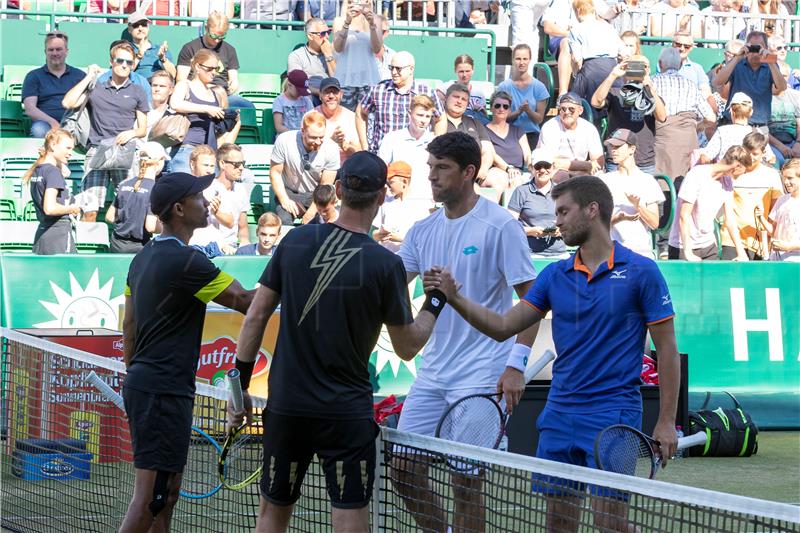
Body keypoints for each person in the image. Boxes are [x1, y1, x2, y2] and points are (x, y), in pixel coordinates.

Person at [426, 175, 680, 533]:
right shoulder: (553, 275)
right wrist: (455, 298)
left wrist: (666, 420)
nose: (556, 220)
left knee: (611, 525)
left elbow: (667, 350)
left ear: (593, 210)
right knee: (559, 524)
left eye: (563, 211)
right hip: (559, 413)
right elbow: (503, 326)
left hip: (614, 414)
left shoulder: (642, 272)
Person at [228, 151, 444, 533]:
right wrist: (437, 301)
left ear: (340, 190)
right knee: (349, 517)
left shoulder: (294, 242)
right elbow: (408, 346)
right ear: (381, 198)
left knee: (271, 515)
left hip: (288, 407)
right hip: (346, 414)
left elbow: (256, 315)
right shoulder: (385, 264)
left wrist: (239, 387)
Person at [393, 132, 538, 533]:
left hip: (482, 373)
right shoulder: (422, 230)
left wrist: (516, 365)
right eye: (430, 168)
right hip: (434, 371)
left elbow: (533, 303)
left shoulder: (501, 227)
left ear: (469, 172)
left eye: (442, 168)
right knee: (403, 468)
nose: (432, 177)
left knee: (467, 482)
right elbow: (391, 285)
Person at [119, 171, 254, 533]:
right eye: (199, 197)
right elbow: (245, 301)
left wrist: (137, 377)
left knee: (168, 493)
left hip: (154, 386)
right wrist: (291, 278)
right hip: (161, 390)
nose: (207, 202)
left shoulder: (141, 259)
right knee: (151, 496)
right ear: (179, 208)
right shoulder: (188, 262)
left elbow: (128, 329)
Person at [62, 41, 149, 223]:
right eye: (120, 61)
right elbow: (68, 103)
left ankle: (124, 248)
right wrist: (89, 77)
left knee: (129, 205)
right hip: (97, 149)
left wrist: (131, 133)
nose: (124, 65)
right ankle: (87, 247)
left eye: (129, 62)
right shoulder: (97, 87)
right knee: (89, 208)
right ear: (111, 61)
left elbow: (142, 129)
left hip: (125, 149)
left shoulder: (138, 91)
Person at [667, 146, 753, 260]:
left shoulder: (727, 182)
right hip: (682, 246)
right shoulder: (696, 175)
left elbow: (730, 220)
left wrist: (741, 253)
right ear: (737, 166)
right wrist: (688, 253)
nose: (743, 174)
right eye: (744, 170)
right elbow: (684, 216)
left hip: (708, 246)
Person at [591, 54, 667, 174]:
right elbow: (595, 102)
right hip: (616, 161)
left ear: (649, 70)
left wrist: (650, 88)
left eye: (643, 67)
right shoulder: (615, 93)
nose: (638, 70)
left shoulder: (651, 95)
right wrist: (613, 75)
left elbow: (662, 117)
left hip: (644, 161)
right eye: (633, 66)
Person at [356, 50, 444, 153]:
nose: (394, 72)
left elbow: (441, 119)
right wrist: (365, 146)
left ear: (411, 69)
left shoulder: (426, 92)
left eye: (398, 69)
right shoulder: (379, 90)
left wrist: (437, 148)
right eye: (391, 68)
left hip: (416, 155)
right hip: (382, 156)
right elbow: (360, 113)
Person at [169, 49, 239, 173]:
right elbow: (175, 103)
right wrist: (207, 109)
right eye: (209, 68)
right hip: (186, 150)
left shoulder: (215, 94)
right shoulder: (185, 85)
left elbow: (219, 131)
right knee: (184, 191)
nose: (213, 73)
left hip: (209, 154)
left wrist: (230, 120)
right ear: (197, 66)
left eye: (216, 69)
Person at [651, 47, 715, 182]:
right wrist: (698, 127)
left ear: (660, 64)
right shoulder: (691, 85)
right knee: (685, 183)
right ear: (680, 65)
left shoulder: (652, 82)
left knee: (663, 183)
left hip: (662, 139)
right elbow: (711, 118)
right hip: (688, 139)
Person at [599, 129, 664, 259]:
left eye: (618, 146)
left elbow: (654, 223)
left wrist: (639, 206)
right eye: (612, 146)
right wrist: (619, 218)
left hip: (641, 253)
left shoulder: (647, 181)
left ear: (632, 149)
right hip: (612, 253)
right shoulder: (604, 180)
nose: (613, 150)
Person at [719, 131, 783, 260]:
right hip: (731, 239)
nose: (751, 157)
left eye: (755, 154)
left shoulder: (771, 175)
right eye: (748, 152)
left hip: (760, 241)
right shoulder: (733, 173)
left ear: (763, 153)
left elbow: (775, 210)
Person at [270, 111, 341, 225]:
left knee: (321, 225)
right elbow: (275, 173)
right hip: (289, 192)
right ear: (303, 131)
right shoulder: (284, 141)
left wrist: (311, 213)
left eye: (321, 137)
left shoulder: (331, 148)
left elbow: (324, 187)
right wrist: (284, 200)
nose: (318, 142)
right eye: (313, 137)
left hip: (316, 195)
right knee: (284, 221)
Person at [176, 11, 254, 109]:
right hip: (196, 92)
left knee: (247, 106)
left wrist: (231, 87)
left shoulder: (230, 50)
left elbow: (234, 80)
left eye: (221, 37)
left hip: (222, 93)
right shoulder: (190, 48)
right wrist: (204, 88)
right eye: (213, 36)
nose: (217, 40)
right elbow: (181, 79)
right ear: (206, 28)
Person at [21, 129, 82, 255]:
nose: (71, 153)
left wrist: (59, 163)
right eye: (68, 148)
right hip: (58, 235)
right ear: (53, 145)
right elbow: (50, 208)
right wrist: (72, 208)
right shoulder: (52, 172)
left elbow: (64, 172)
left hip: (43, 234)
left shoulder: (39, 169)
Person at [713, 30, 787, 132]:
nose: (755, 51)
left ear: (766, 48)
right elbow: (717, 82)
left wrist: (770, 61)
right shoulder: (737, 63)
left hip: (759, 126)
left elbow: (782, 87)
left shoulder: (771, 64)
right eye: (752, 47)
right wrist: (737, 57)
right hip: (734, 122)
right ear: (747, 46)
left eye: (758, 47)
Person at [105, 142, 168, 253]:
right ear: (159, 161)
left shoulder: (124, 184)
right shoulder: (155, 189)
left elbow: (110, 217)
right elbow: (150, 227)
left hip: (116, 244)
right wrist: (169, 227)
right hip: (139, 248)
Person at [378, 94, 437, 212]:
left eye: (427, 116)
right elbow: (380, 172)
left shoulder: (435, 142)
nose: (423, 120)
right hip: (395, 203)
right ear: (410, 114)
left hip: (425, 203)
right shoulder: (392, 139)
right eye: (420, 115)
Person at [22, 31, 85, 138]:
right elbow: (30, 109)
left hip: (73, 122)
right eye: (51, 50)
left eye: (59, 49)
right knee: (38, 130)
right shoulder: (33, 76)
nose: (55, 53)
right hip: (45, 124)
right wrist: (53, 123)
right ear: (45, 52)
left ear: (66, 51)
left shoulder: (80, 76)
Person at [507, 148, 568, 257]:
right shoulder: (521, 191)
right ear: (531, 168)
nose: (543, 170)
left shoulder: (562, 192)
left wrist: (562, 228)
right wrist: (530, 231)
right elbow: (509, 225)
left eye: (547, 166)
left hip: (559, 252)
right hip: (529, 253)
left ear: (553, 167)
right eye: (538, 166)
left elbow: (574, 222)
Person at [190, 143, 250, 251]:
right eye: (236, 164)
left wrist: (245, 248)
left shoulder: (240, 190)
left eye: (243, 164)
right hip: (210, 245)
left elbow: (241, 226)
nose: (241, 168)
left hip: (230, 245)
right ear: (222, 164)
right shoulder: (207, 187)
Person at [537, 92, 604, 180]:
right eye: (563, 109)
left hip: (581, 172)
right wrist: (585, 165)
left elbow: (598, 162)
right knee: (562, 176)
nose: (567, 112)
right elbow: (550, 162)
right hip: (556, 172)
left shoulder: (589, 128)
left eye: (571, 109)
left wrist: (577, 167)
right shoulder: (549, 127)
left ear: (580, 110)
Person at [443, 84, 497, 190]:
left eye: (463, 99)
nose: (459, 101)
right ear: (446, 98)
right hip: (448, 173)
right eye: (456, 97)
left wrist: (482, 169)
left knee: (497, 179)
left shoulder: (475, 123)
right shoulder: (437, 121)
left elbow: (488, 151)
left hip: (475, 174)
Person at [332, 0, 383, 111]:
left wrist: (372, 25)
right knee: (345, 119)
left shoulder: (376, 19)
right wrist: (346, 23)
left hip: (368, 79)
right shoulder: (339, 20)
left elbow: (377, 49)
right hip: (344, 79)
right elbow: (338, 48)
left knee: (367, 119)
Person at [567, 0, 622, 104]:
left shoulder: (576, 29)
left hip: (590, 70)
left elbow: (576, 59)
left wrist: (575, 75)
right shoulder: (609, 27)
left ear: (578, 11)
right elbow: (623, 52)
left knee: (573, 102)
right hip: (612, 68)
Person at [496, 44, 549, 149]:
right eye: (518, 59)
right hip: (509, 134)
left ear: (530, 60)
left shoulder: (539, 87)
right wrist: (518, 112)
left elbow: (539, 119)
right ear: (513, 60)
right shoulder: (504, 86)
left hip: (531, 135)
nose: (521, 62)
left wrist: (528, 110)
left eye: (525, 59)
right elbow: (500, 117)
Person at [372, 160, 428, 252]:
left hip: (407, 260)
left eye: (391, 182)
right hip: (386, 256)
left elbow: (424, 240)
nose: (388, 185)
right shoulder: (386, 202)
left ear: (404, 182)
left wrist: (400, 238)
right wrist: (379, 235)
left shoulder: (420, 206)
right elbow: (374, 233)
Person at [485, 90, 532, 188]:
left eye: (505, 106)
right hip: (495, 171)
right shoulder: (483, 130)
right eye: (497, 105)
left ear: (509, 110)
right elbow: (492, 156)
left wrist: (533, 167)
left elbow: (527, 155)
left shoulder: (518, 131)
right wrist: (508, 169)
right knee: (502, 182)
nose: (501, 109)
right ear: (491, 108)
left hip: (518, 172)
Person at [756, 158, 800, 261]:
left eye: (790, 178)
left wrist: (789, 247)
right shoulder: (782, 200)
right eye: (784, 178)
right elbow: (773, 231)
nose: (786, 182)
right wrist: (761, 218)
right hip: (777, 258)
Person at [698, 91, 755, 164]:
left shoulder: (722, 131)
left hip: (725, 173)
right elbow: (770, 158)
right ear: (751, 112)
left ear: (731, 111)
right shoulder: (757, 132)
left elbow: (705, 157)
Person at [314, 77, 360, 162]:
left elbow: (360, 154)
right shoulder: (311, 117)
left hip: (346, 170)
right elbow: (307, 151)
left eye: (335, 92)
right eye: (327, 92)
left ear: (341, 95)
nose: (331, 96)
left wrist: (343, 144)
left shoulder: (352, 118)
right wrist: (331, 141)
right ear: (320, 95)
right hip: (319, 167)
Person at [436, 54, 492, 124]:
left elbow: (484, 117)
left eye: (467, 71)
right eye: (461, 71)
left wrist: (481, 111)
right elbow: (437, 112)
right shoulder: (444, 89)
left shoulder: (479, 93)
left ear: (472, 71)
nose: (464, 75)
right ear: (455, 71)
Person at [125, 12, 177, 81]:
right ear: (129, 29)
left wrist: (163, 59)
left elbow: (173, 75)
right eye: (136, 25)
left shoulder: (159, 49)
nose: (140, 29)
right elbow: (124, 72)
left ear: (148, 27)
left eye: (143, 25)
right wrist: (138, 57)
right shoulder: (126, 49)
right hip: (138, 86)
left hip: (159, 85)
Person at [768, 62, 800, 167]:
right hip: (770, 143)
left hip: (794, 141)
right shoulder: (762, 96)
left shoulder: (796, 96)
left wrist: (798, 144)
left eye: (784, 76)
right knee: (777, 160)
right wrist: (780, 146)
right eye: (777, 75)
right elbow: (760, 127)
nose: (780, 78)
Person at [273, 71, 315, 135]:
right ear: (290, 85)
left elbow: (312, 121)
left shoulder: (306, 100)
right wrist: (296, 134)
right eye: (298, 90)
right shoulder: (279, 100)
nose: (301, 93)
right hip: (286, 137)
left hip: (304, 137)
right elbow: (279, 127)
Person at [146, 70, 174, 136]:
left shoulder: (173, 114)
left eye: (162, 86)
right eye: (154, 85)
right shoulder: (141, 109)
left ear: (171, 90)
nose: (157, 89)